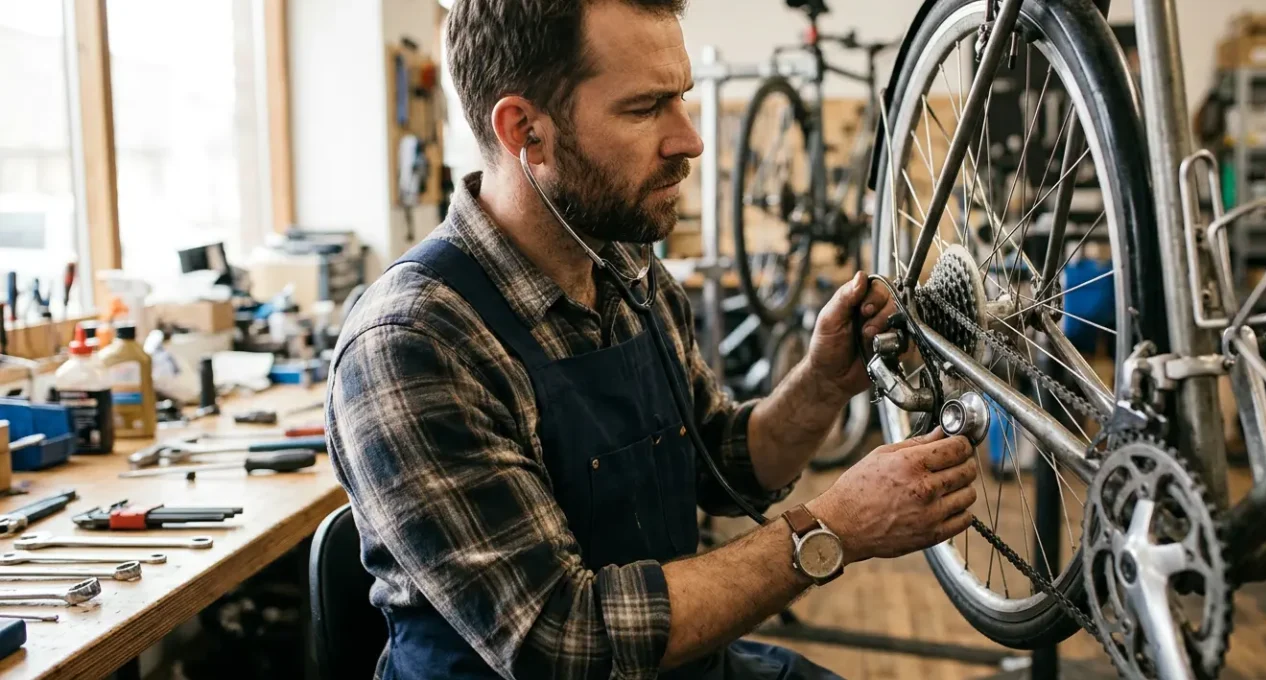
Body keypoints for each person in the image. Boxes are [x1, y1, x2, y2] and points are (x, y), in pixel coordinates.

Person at [326, 1, 979, 678]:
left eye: (682, 98)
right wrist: (831, 529)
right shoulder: (414, 342)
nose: (690, 140)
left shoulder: (625, 267)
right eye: (645, 108)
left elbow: (722, 464)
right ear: (526, 131)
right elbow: (564, 642)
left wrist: (821, 384)